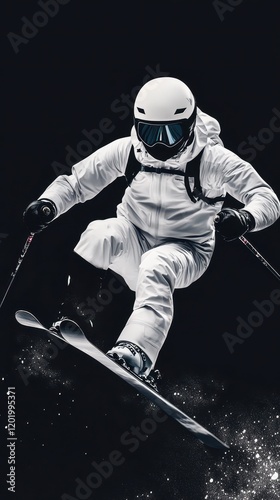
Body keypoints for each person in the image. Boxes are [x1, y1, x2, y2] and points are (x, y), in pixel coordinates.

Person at [23, 76, 280, 385]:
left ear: (189, 126)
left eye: (171, 133)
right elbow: (78, 182)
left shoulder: (212, 160)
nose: (159, 144)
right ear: (137, 125)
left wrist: (245, 218)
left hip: (185, 250)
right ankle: (73, 317)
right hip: (133, 239)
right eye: (150, 132)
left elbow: (266, 198)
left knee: (156, 264)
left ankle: (137, 353)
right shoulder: (129, 151)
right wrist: (49, 203)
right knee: (100, 233)